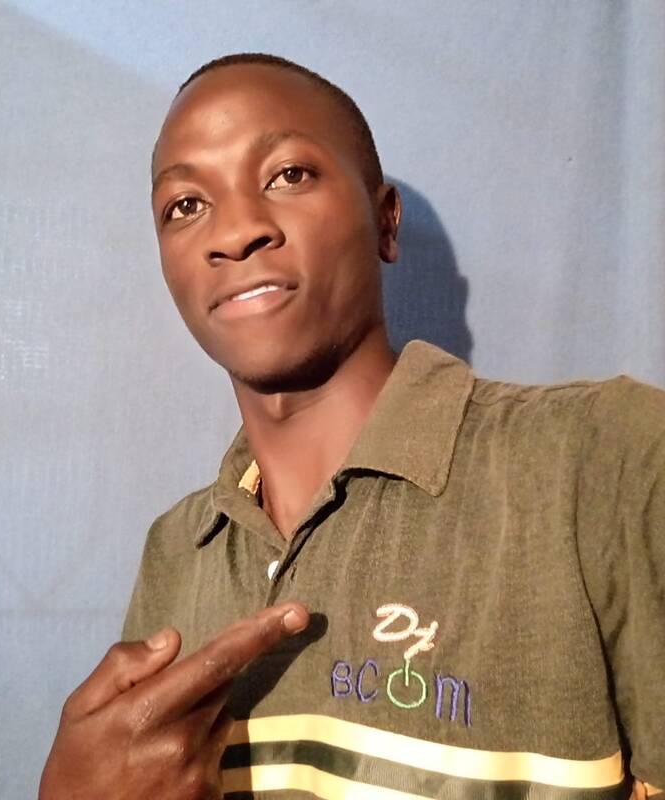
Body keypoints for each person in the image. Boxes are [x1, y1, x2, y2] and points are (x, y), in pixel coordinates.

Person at [39, 53, 665, 799]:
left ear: (386, 221)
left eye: (287, 174)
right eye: (185, 205)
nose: (234, 232)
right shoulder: (176, 551)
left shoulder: (604, 460)